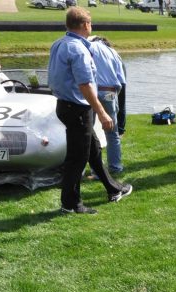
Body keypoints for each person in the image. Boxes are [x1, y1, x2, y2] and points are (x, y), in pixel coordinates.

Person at [48, 7, 132, 215]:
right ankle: (71, 204)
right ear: (85, 24)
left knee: (93, 151)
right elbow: (85, 84)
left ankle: (114, 188)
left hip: (64, 105)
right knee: (77, 158)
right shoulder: (78, 49)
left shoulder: (58, 44)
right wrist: (102, 112)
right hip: (77, 108)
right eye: (90, 22)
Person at [89, 36, 126, 173]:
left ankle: (96, 170)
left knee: (89, 132)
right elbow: (121, 79)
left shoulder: (87, 48)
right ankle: (115, 167)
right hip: (110, 92)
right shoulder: (113, 52)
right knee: (112, 133)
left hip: (91, 92)